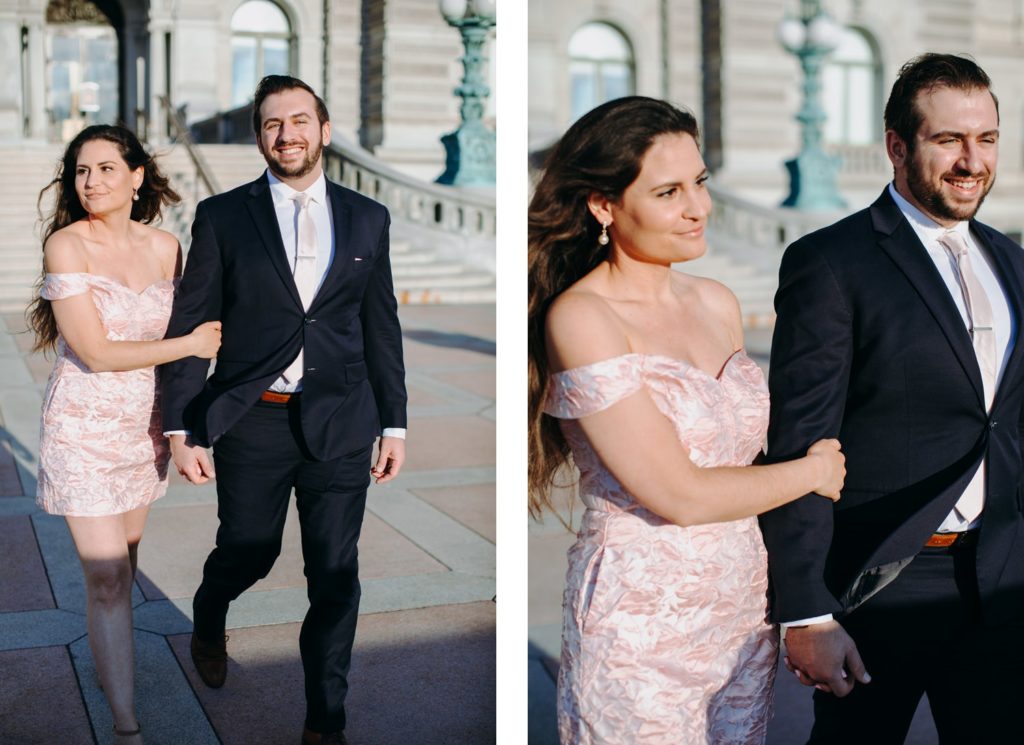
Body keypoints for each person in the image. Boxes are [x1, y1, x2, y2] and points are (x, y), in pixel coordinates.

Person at [527, 96, 846, 745]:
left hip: (740, 622)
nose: (698, 207)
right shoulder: (584, 318)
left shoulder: (717, 301)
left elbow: (742, 460)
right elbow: (681, 493)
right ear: (603, 205)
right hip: (637, 631)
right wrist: (811, 471)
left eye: (699, 182)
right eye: (668, 191)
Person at [760, 53, 1024, 744]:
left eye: (987, 139)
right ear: (898, 146)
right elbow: (799, 441)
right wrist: (805, 610)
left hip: (1002, 582)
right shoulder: (831, 262)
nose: (973, 160)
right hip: (882, 581)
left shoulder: (1014, 261)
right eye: (949, 140)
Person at [160, 75, 407, 745]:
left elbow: (379, 324)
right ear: (258, 136)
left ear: (324, 130)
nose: (287, 133)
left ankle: (325, 719)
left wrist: (394, 421)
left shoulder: (367, 217)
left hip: (342, 420)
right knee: (249, 550)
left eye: (300, 120)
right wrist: (181, 424)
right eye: (273, 123)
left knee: (334, 572)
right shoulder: (222, 215)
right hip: (252, 419)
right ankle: (210, 613)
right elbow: (192, 321)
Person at [27, 124, 222, 744]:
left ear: (137, 176)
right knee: (108, 576)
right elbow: (96, 350)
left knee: (125, 566)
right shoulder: (67, 246)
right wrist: (189, 342)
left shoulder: (167, 247)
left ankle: (112, 658)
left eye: (107, 169)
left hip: (144, 428)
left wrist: (183, 432)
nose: (92, 183)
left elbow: (185, 363)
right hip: (82, 426)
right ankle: (127, 726)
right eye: (82, 171)